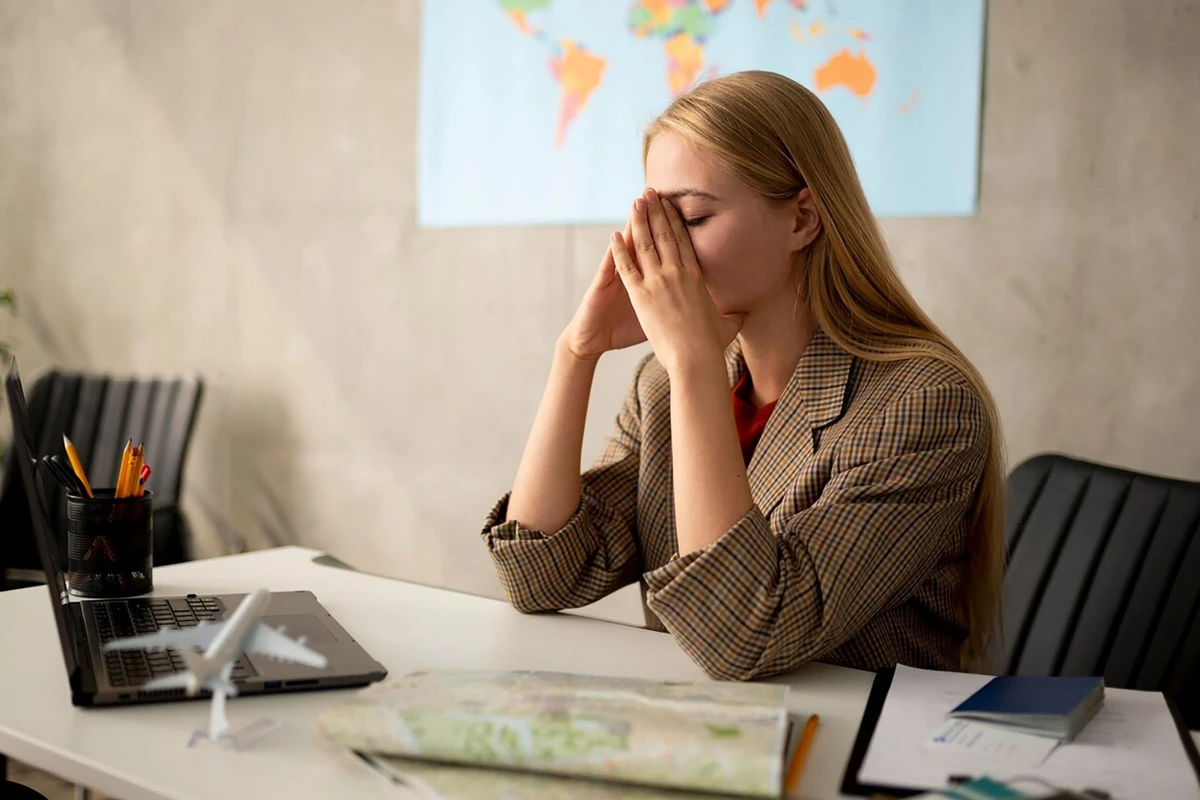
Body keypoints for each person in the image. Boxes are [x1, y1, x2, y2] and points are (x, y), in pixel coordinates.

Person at [480, 70, 1004, 681]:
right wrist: (576, 352)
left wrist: (695, 364)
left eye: (693, 219)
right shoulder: (664, 384)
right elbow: (539, 576)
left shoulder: (925, 405)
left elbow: (745, 637)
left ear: (803, 219)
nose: (663, 251)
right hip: (713, 737)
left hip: (853, 747)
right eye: (657, 222)